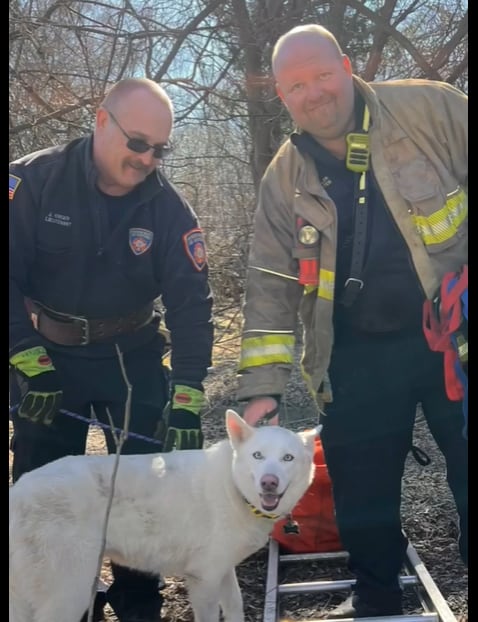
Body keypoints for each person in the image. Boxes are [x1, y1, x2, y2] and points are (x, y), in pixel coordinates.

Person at [236, 24, 467, 619]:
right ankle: (378, 598)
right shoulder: (283, 181)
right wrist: (262, 389)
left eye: (321, 75)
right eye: (296, 86)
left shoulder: (431, 111)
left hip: (454, 337)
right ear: (280, 97)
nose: (314, 93)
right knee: (362, 489)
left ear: (346, 64)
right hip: (355, 355)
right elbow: (268, 287)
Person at [9, 77, 214, 622]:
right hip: (46, 354)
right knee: (41, 488)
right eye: (138, 142)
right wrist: (26, 357)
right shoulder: (32, 182)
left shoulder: (171, 211)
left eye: (160, 148)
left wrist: (190, 395)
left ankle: (138, 602)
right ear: (102, 121)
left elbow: (193, 307)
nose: (148, 158)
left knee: (141, 490)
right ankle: (57, 602)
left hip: (132, 355)